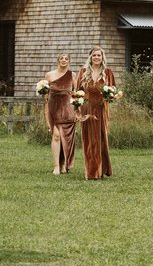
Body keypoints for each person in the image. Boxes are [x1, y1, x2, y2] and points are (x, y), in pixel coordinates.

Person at [76, 46, 115, 180]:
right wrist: (77, 111)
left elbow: (113, 92)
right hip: (87, 109)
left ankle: (101, 169)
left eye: (99, 55)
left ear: (102, 57)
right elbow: (77, 94)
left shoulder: (108, 73)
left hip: (101, 109)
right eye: (94, 55)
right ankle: (91, 172)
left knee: (100, 140)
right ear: (90, 57)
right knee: (89, 140)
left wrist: (110, 96)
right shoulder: (83, 72)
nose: (96, 58)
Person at [43, 53, 77, 175]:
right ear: (58, 60)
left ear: (69, 61)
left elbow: (76, 94)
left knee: (65, 138)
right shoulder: (49, 75)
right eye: (61, 58)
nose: (64, 60)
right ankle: (56, 166)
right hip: (54, 108)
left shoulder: (72, 75)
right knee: (56, 135)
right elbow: (45, 94)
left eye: (66, 58)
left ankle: (64, 165)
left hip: (68, 109)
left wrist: (76, 109)